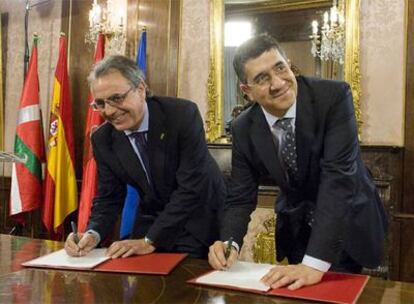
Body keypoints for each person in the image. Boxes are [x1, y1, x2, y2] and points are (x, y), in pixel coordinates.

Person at [208, 34, 387, 290]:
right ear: (246, 91)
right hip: (298, 228)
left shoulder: (333, 97)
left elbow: (338, 182)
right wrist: (229, 242)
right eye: (262, 78)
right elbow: (240, 196)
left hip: (348, 222)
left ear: (288, 64)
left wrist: (314, 264)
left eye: (280, 68)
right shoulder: (244, 127)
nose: (278, 83)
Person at [65, 55, 225, 259]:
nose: (110, 111)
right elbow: (109, 197)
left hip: (199, 218)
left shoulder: (182, 115)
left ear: (141, 89)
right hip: (154, 220)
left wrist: (150, 240)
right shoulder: (103, 139)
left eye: (116, 98)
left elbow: (191, 189)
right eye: (100, 103)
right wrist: (92, 233)